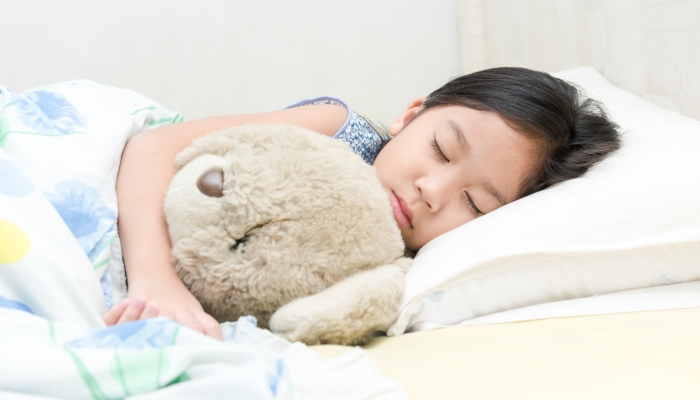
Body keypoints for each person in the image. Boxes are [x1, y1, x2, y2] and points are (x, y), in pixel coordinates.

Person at [103, 67, 620, 338]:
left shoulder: (413, 267)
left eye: (476, 204)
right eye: (440, 149)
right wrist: (157, 283)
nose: (431, 192)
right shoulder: (340, 131)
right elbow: (153, 146)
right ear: (411, 115)